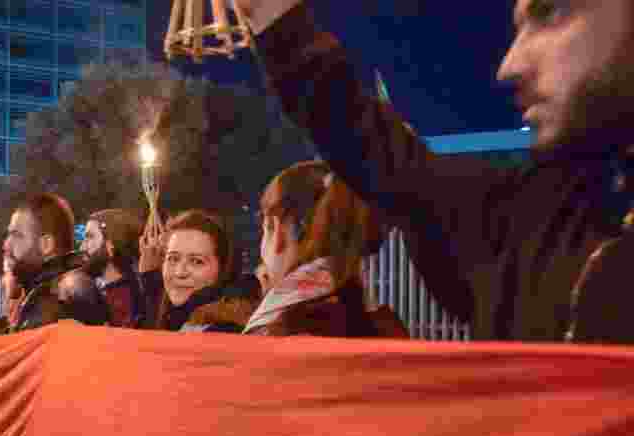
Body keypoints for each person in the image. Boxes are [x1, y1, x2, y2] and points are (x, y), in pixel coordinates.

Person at [234, 0, 634, 343]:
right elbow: (376, 152)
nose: (510, 65)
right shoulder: (528, 217)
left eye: (552, 13)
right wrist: (272, 13)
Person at [244, 160, 408, 337]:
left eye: (265, 229)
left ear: (276, 232)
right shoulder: (386, 325)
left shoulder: (274, 327)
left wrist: (269, 300)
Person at [3, 192, 108, 332]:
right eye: (8, 235)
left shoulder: (61, 298)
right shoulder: (45, 293)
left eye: (17, 235)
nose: (6, 245)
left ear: (46, 245)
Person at [140, 210, 257, 332]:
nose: (180, 272)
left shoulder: (222, 331)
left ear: (223, 269)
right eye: (173, 258)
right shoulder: (171, 317)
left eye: (196, 261)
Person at [80, 209, 146, 328]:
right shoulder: (105, 292)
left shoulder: (122, 300)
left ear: (110, 246)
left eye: (90, 237)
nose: (82, 247)